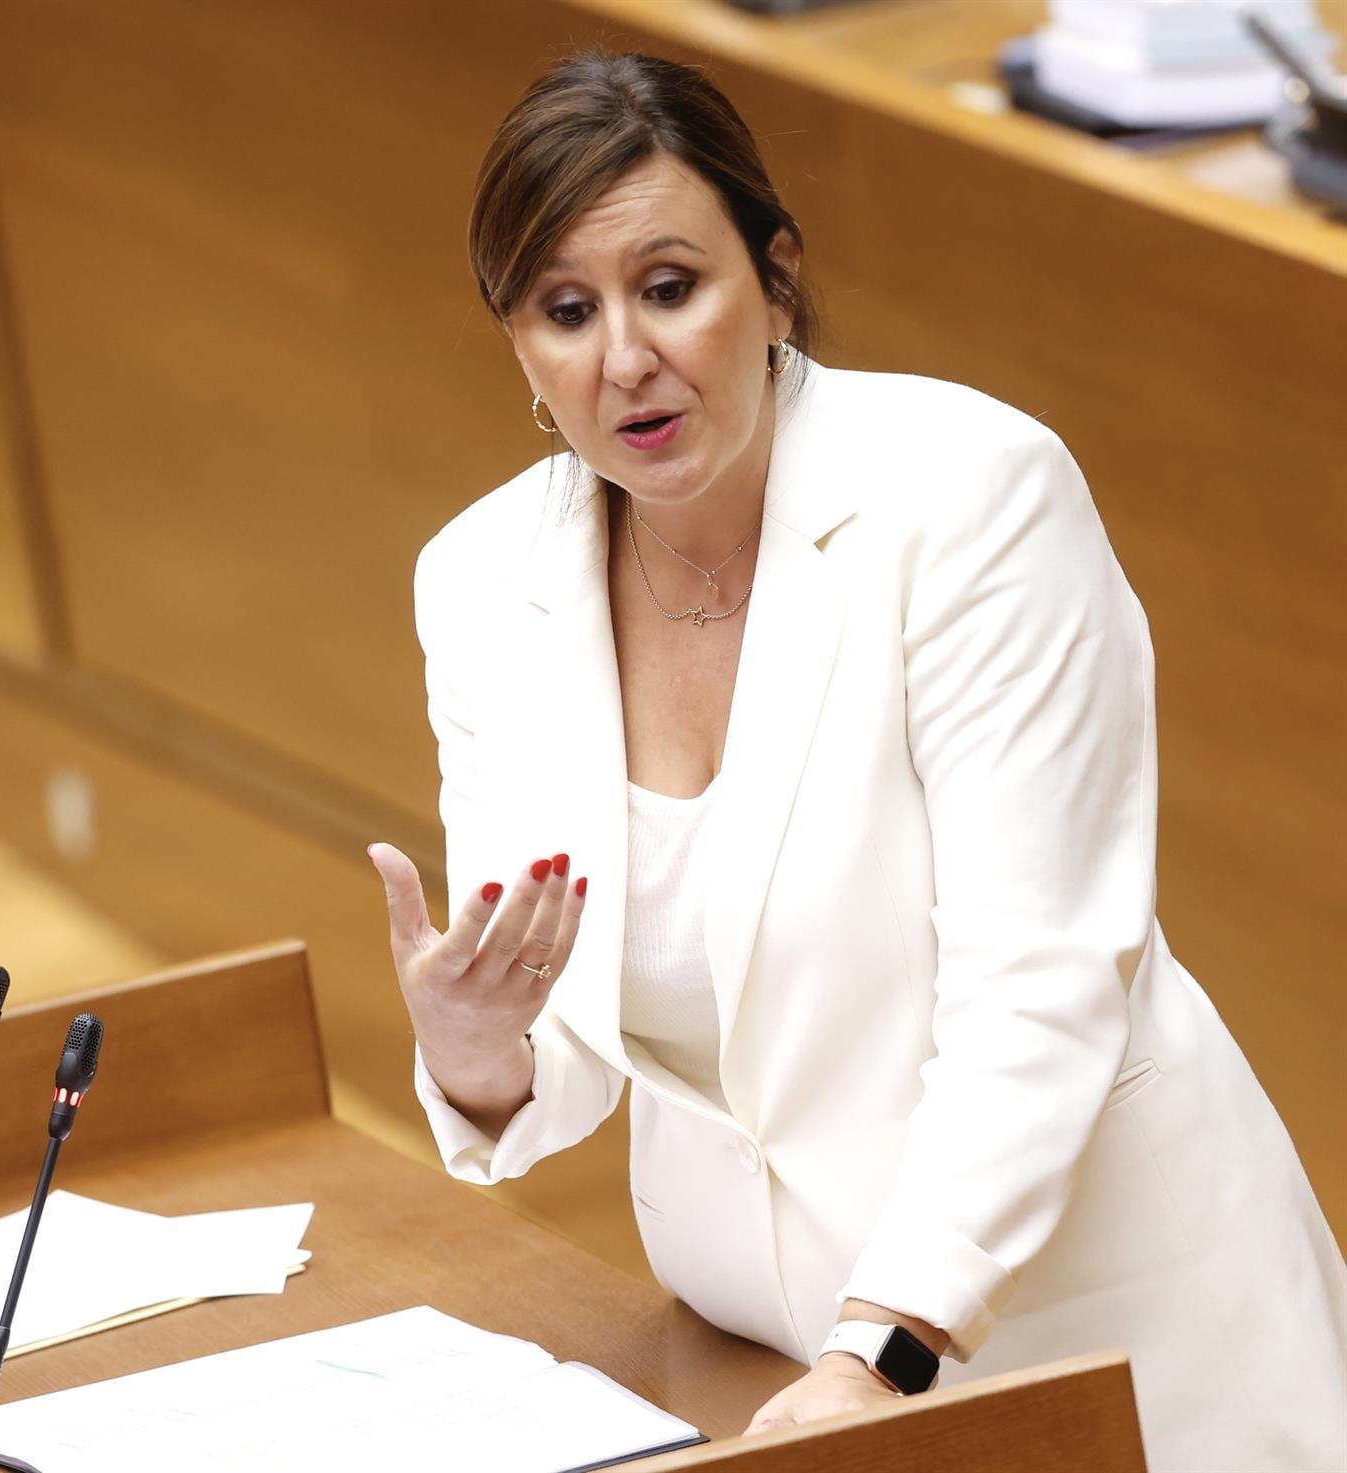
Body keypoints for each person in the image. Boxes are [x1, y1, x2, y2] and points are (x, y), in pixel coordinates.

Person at [365, 50, 1347, 1472]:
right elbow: (561, 1045)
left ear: (774, 278)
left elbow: (1038, 987)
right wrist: (474, 1054)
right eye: (565, 311)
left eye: (670, 287)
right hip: (764, 1352)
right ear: (516, 342)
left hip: (1102, 1336)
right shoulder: (479, 582)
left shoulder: (973, 500)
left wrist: (879, 1350)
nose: (624, 358)